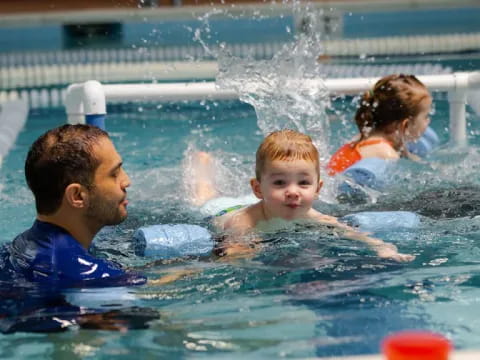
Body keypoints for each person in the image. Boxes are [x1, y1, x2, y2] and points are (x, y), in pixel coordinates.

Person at [187, 129, 414, 262]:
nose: (293, 192)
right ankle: (202, 167)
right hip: (223, 209)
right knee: (204, 197)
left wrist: (382, 247)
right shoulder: (245, 222)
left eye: (304, 183)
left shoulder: (312, 215)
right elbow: (228, 253)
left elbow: (351, 232)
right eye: (280, 183)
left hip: (265, 203)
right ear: (258, 188)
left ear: (318, 188)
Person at [327, 74, 432, 175]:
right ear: (405, 125)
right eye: (426, 116)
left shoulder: (364, 137)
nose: (428, 121)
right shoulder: (386, 153)